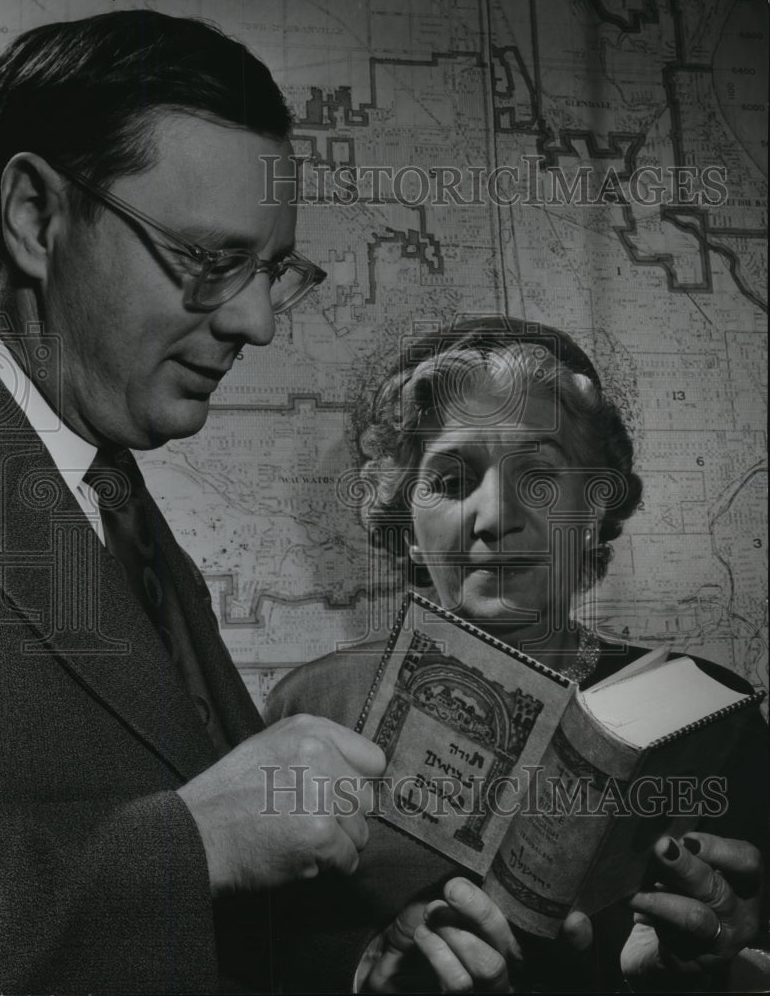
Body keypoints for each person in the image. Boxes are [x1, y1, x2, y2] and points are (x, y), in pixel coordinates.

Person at [0, 10, 401, 993]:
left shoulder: (112, 496)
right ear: (37, 218)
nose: (255, 320)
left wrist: (365, 960)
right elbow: (200, 832)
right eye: (211, 261)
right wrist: (191, 843)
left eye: (272, 270)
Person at [266, 315, 769, 992]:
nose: (493, 515)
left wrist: (720, 961)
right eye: (450, 481)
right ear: (407, 531)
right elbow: (254, 956)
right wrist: (364, 971)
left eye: (536, 477)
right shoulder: (311, 709)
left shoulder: (706, 713)